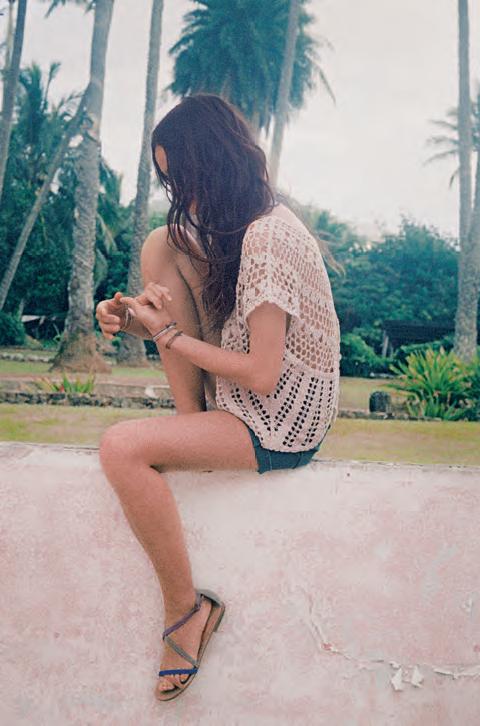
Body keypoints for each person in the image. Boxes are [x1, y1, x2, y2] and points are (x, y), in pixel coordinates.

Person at [95, 93, 341, 701]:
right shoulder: (241, 229)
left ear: (213, 164)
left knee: (121, 448)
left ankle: (186, 611)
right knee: (160, 242)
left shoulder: (268, 237)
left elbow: (262, 374)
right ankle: (193, 425)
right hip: (240, 402)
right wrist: (133, 322)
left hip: (278, 424)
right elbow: (206, 333)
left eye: (182, 177)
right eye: (169, 181)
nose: (180, 193)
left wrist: (167, 335)